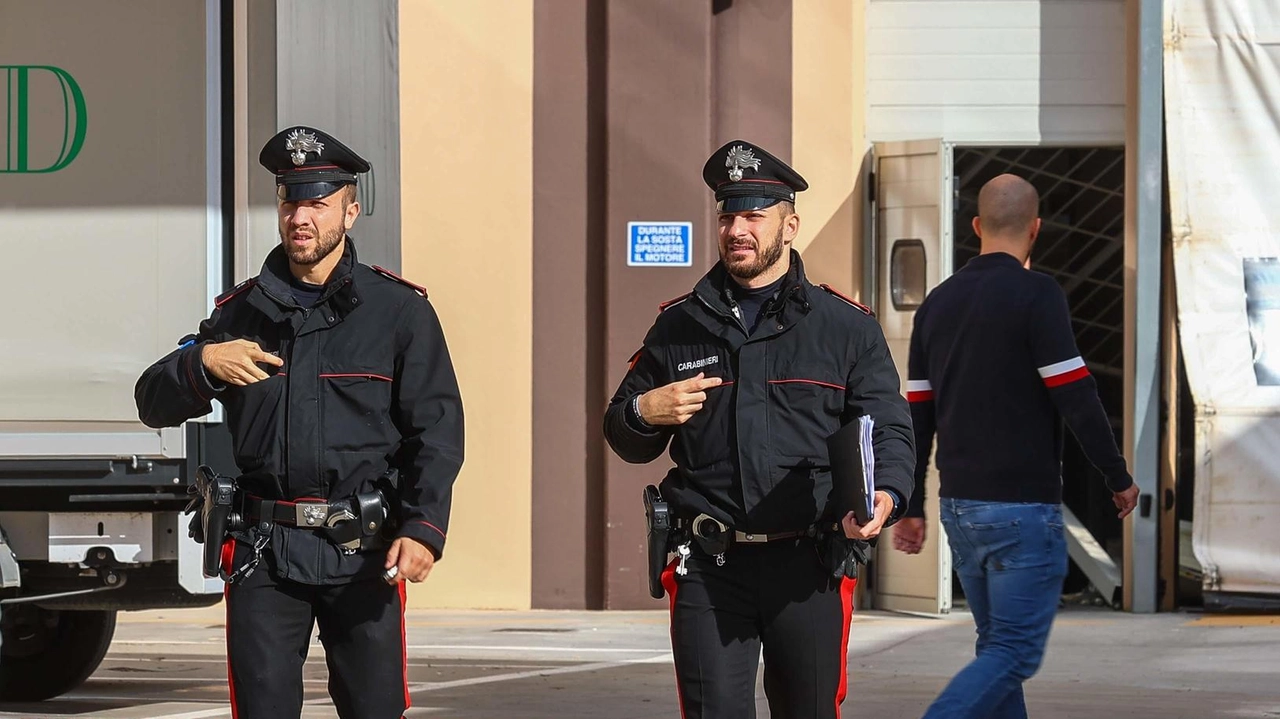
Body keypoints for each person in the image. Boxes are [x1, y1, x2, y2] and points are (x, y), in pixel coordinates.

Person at [135, 126, 464, 719]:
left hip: (364, 551)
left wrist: (424, 526)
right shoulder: (239, 313)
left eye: (318, 201)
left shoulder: (400, 313)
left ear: (351, 209)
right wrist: (203, 362)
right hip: (266, 552)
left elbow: (436, 435)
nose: (301, 217)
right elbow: (152, 402)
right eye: (291, 200)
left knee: (375, 709)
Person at [603, 140, 915, 719]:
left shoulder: (845, 328)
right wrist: (646, 412)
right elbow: (622, 432)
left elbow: (889, 426)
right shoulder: (678, 326)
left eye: (753, 215)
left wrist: (887, 494)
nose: (736, 230)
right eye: (727, 216)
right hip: (709, 564)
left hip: (810, 564)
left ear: (789, 225)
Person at [895, 173, 1140, 719]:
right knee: (1013, 651)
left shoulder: (935, 304)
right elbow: (1076, 396)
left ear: (977, 226)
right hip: (1021, 512)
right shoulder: (1038, 294)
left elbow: (918, 415)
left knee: (996, 646)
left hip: (961, 510)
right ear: (1037, 229)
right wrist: (1116, 475)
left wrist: (911, 505)